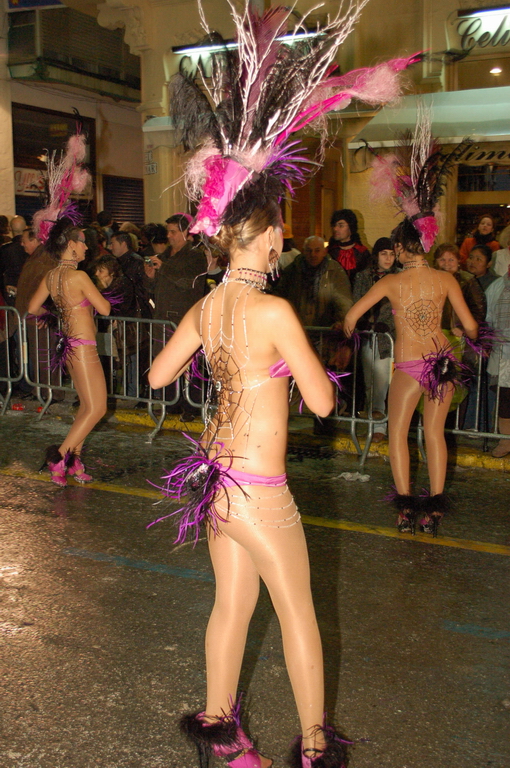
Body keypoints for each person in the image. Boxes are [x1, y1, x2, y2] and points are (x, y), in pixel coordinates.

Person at [148, 3, 419, 766]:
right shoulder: (271, 308)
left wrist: (229, 366)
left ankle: (218, 728)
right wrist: (275, 368)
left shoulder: (211, 304)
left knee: (230, 607)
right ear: (264, 234)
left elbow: (159, 373)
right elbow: (327, 401)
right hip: (261, 494)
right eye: (278, 232)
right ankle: (312, 747)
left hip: (216, 484)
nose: (281, 240)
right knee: (298, 612)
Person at [345, 116, 479, 537]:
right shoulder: (446, 279)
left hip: (408, 367)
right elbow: (472, 328)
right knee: (435, 435)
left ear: (402, 248)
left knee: (398, 434)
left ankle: (405, 508)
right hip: (440, 365)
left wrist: (347, 329)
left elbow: (352, 316)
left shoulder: (391, 281)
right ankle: (434, 511)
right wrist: (457, 336)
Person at [28, 220, 111, 484]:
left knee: (87, 407)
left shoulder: (52, 276)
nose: (88, 247)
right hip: (84, 349)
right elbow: (106, 309)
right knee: (97, 408)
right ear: (72, 244)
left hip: (69, 347)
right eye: (84, 241)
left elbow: (32, 308)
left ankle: (73, 462)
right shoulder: (80, 277)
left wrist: (55, 315)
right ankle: (59, 457)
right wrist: (103, 285)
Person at [352, 237, 398, 442]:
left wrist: (387, 324)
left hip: (387, 338)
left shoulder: (399, 277)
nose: (388, 258)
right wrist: (362, 321)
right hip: (368, 336)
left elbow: (400, 307)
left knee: (382, 382)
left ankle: (380, 426)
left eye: (391, 254)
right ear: (376, 256)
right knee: (370, 382)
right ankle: (373, 423)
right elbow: (357, 301)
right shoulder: (364, 277)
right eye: (384, 254)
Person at [274, 235, 352, 327]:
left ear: (324, 251)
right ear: (303, 251)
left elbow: (343, 299)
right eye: (309, 250)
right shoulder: (293, 270)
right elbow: (280, 295)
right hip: (297, 327)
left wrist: (341, 321)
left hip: (325, 331)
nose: (313, 254)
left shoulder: (334, 271)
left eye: (317, 250)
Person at [485, 267, 510, 457]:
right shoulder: (497, 286)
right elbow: (488, 318)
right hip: (503, 352)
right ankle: (506, 440)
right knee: (505, 399)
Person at [327, 209, 370, 284]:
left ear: (351, 227)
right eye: (334, 225)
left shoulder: (362, 253)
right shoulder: (329, 252)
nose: (335, 229)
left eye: (341, 225)